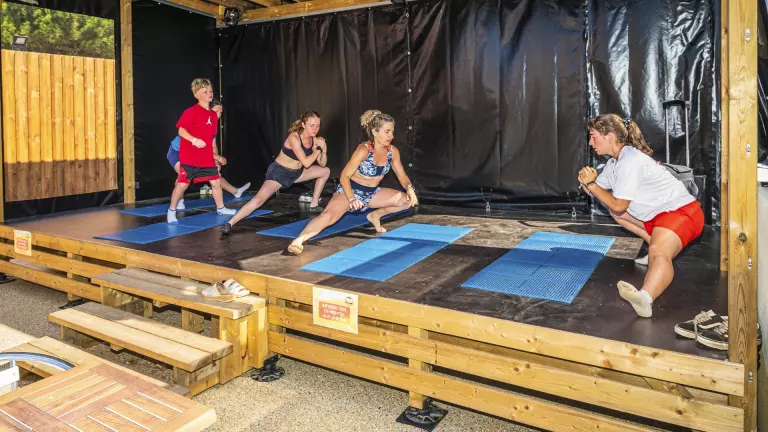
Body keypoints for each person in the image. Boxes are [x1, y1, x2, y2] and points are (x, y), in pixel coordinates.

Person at [578, 114, 704, 318]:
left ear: (609, 136)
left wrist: (591, 184)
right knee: (615, 212)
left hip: (682, 212)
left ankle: (645, 298)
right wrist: (586, 182)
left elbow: (618, 203)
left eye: (593, 137)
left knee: (659, 252)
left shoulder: (630, 160)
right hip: (656, 215)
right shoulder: (614, 163)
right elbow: (597, 193)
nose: (591, 143)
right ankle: (654, 244)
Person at [286, 110, 418, 255]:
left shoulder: (393, 152)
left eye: (392, 132)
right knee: (328, 216)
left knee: (407, 200)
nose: (391, 136)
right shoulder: (363, 150)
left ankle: (375, 215)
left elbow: (402, 176)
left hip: (371, 193)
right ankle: (298, 241)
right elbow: (344, 176)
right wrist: (351, 198)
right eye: (387, 132)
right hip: (349, 191)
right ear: (375, 132)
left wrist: (409, 188)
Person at [219, 110, 331, 234]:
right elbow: (306, 163)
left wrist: (323, 150)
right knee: (259, 199)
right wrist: (318, 149)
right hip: (280, 173)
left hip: (296, 173)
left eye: (317, 126)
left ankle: (314, 204)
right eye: (312, 126)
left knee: (325, 171)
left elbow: (322, 164)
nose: (315, 129)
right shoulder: (294, 137)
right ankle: (230, 223)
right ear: (304, 125)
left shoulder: (314, 140)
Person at [167, 78, 237, 224]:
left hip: (205, 158)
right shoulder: (191, 112)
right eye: (205, 92)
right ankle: (171, 211)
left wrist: (215, 157)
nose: (209, 93)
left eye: (210, 91)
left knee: (216, 182)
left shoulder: (213, 116)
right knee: (182, 184)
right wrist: (193, 140)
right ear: (197, 95)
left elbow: (211, 140)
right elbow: (181, 130)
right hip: (190, 157)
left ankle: (221, 208)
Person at [166, 101, 250, 210]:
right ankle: (179, 201)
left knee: (215, 174)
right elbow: (196, 146)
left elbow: (213, 147)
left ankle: (236, 192)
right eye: (216, 111)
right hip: (177, 152)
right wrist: (218, 158)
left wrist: (216, 161)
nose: (218, 115)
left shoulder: (212, 126)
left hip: (196, 154)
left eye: (220, 112)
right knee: (183, 176)